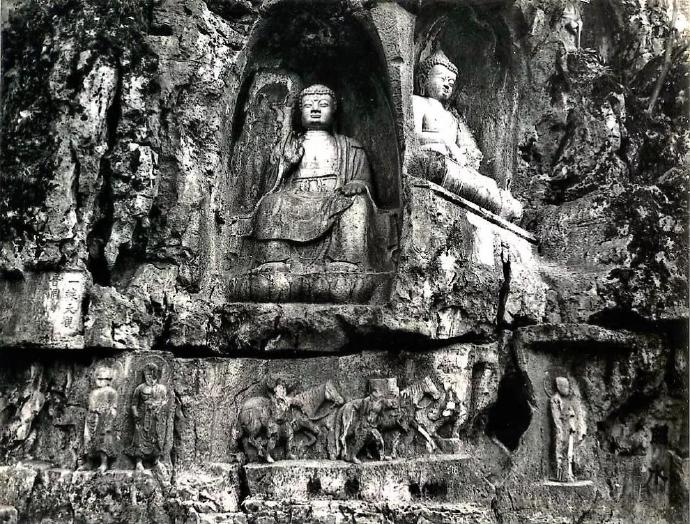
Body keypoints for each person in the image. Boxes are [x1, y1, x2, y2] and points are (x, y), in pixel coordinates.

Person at [247, 84, 377, 272]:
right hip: (295, 198)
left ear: (334, 111)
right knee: (270, 203)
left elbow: (363, 179)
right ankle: (274, 259)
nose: (315, 109)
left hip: (334, 197)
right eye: (308, 105)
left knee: (357, 203)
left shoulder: (350, 147)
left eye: (323, 105)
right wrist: (285, 163)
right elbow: (270, 185)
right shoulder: (290, 145)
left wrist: (357, 183)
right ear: (300, 113)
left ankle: (346, 260)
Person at [412, 50, 523, 221]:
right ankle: (498, 205)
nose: (447, 85)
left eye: (451, 82)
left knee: (489, 184)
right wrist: (445, 142)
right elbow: (412, 136)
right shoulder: (418, 102)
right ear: (423, 80)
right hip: (432, 159)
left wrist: (466, 156)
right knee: (442, 167)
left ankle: (502, 204)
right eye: (442, 79)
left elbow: (468, 154)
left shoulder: (452, 118)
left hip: (455, 167)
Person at [129, 363, 170, 471]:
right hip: (143, 416)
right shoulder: (140, 388)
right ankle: (139, 461)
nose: (150, 377)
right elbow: (134, 404)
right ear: (144, 375)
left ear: (157, 375)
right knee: (140, 437)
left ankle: (156, 459)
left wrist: (158, 407)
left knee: (157, 437)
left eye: (152, 375)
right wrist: (136, 414)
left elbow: (165, 402)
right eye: (148, 375)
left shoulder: (161, 388)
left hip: (156, 417)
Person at [82, 366, 118, 473]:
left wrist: (108, 415)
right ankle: (89, 462)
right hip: (92, 418)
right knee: (88, 439)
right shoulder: (93, 393)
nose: (100, 381)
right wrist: (94, 411)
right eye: (98, 379)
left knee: (103, 440)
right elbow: (91, 406)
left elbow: (114, 407)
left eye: (103, 379)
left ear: (109, 380)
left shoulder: (112, 392)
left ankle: (104, 463)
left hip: (104, 419)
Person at [550, 376, 586, 482]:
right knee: (560, 449)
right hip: (561, 430)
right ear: (558, 387)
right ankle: (560, 473)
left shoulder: (568, 399)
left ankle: (569, 472)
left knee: (570, 450)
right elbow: (556, 418)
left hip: (569, 429)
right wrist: (560, 429)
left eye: (568, 386)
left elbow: (573, 413)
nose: (567, 388)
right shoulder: (555, 399)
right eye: (565, 386)